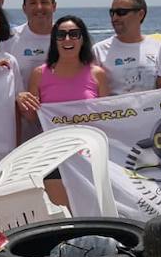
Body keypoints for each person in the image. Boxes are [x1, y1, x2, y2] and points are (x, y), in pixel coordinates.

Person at [16, 16, 109, 210]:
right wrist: (22, 100)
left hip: (89, 156)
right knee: (65, 216)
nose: (68, 39)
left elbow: (106, 119)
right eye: (61, 35)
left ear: (82, 39)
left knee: (93, 212)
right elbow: (33, 118)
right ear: (54, 40)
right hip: (54, 157)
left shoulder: (97, 74)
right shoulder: (40, 74)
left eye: (74, 34)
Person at [93, 0, 161, 95]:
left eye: (121, 12)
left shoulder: (159, 47)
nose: (115, 18)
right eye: (112, 13)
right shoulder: (99, 51)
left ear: (140, 14)